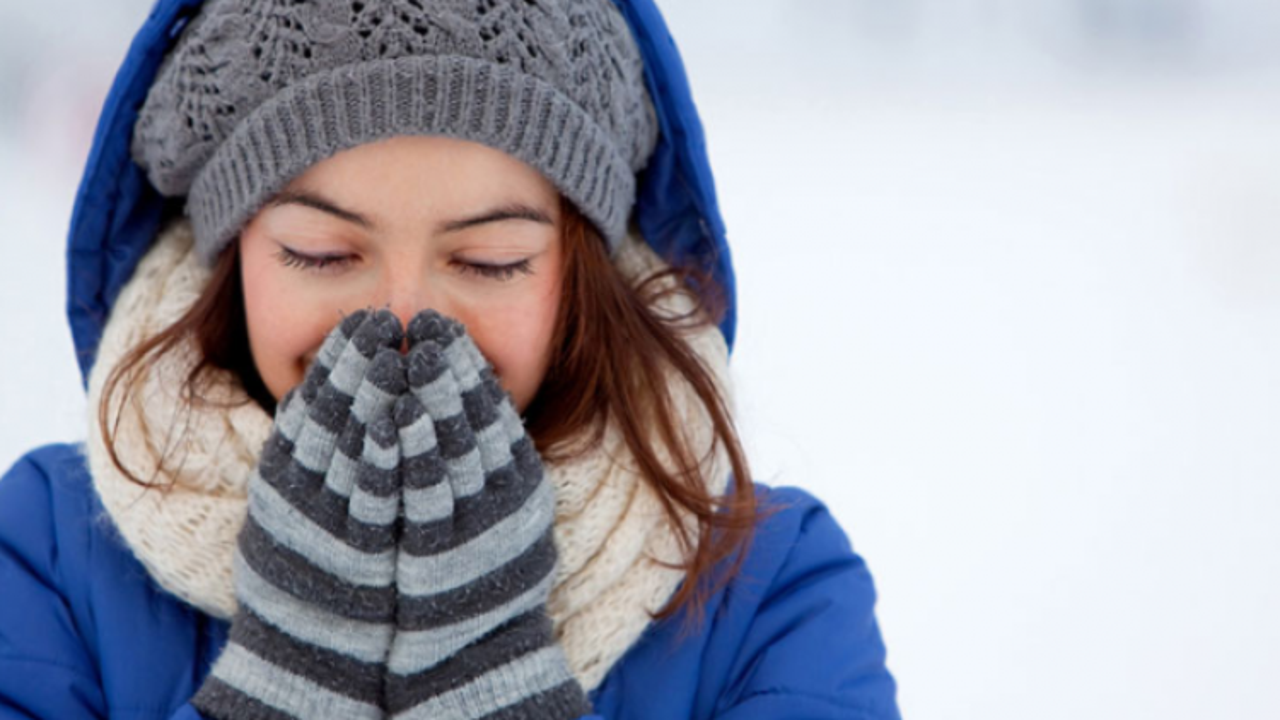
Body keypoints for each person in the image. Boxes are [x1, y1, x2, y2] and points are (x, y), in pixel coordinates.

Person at [0, 0, 901, 718]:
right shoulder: (47, 555)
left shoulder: (770, 593)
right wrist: (288, 684)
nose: (402, 322)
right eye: (321, 252)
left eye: (489, 261)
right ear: (231, 255)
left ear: (581, 273)